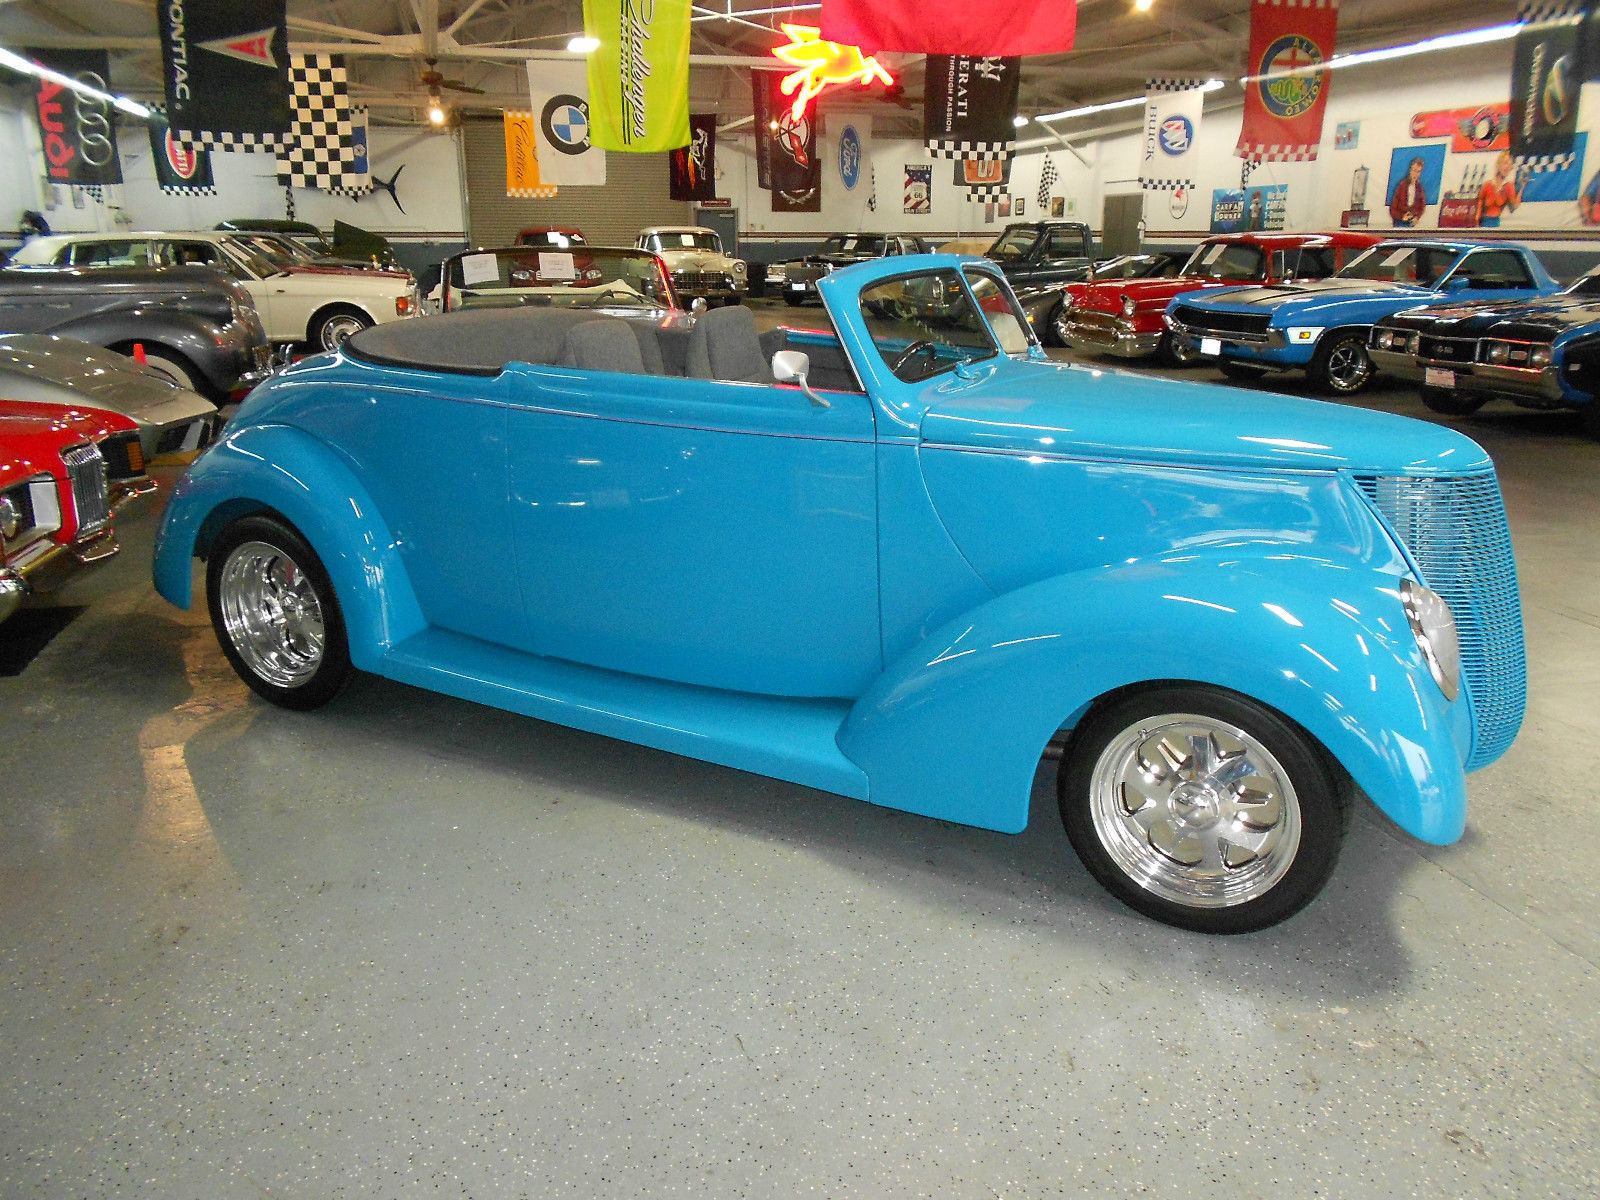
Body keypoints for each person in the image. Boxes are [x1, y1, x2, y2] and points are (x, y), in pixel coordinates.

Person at [1477, 151, 1524, 227]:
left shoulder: (1509, 187)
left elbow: (1514, 206)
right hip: (1483, 223)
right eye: (1505, 163)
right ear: (1498, 165)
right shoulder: (1487, 185)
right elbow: (1479, 204)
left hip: (1496, 223)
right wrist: (1476, 222)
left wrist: (1522, 187)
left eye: (1510, 164)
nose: (1508, 167)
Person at [1388, 157, 1427, 226]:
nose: (1416, 174)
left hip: (1412, 222)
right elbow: (1393, 209)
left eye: (1418, 171)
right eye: (1414, 170)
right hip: (1400, 222)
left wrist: (1417, 217)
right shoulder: (1401, 185)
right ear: (1410, 170)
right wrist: (1402, 216)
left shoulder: (1420, 188)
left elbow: (1422, 206)